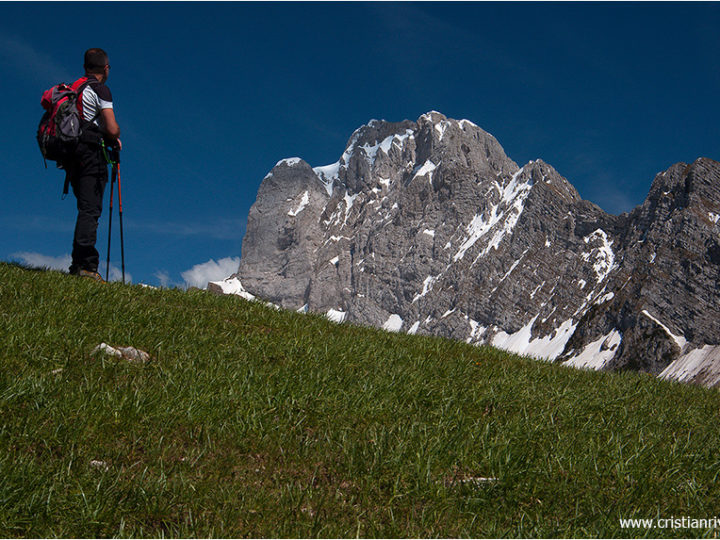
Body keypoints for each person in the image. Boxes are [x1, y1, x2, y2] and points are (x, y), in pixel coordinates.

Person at [63, 48, 122, 281]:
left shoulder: (74, 88)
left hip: (71, 155)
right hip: (90, 154)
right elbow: (111, 127)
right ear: (105, 68)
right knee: (91, 209)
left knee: (85, 208)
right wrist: (114, 136)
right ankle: (85, 267)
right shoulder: (100, 89)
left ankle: (79, 263)